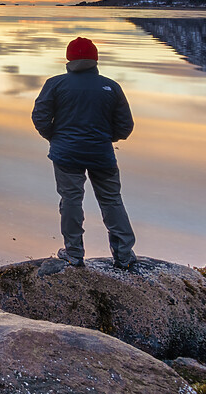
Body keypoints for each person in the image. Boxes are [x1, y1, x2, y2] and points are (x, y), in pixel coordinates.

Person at [31, 36, 138, 271]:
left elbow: (39, 117)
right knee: (111, 200)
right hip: (101, 153)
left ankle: (74, 254)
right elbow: (125, 126)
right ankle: (123, 255)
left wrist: (54, 137)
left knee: (71, 200)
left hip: (66, 153)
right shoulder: (111, 86)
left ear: (69, 59)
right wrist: (106, 138)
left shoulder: (56, 84)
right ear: (95, 59)